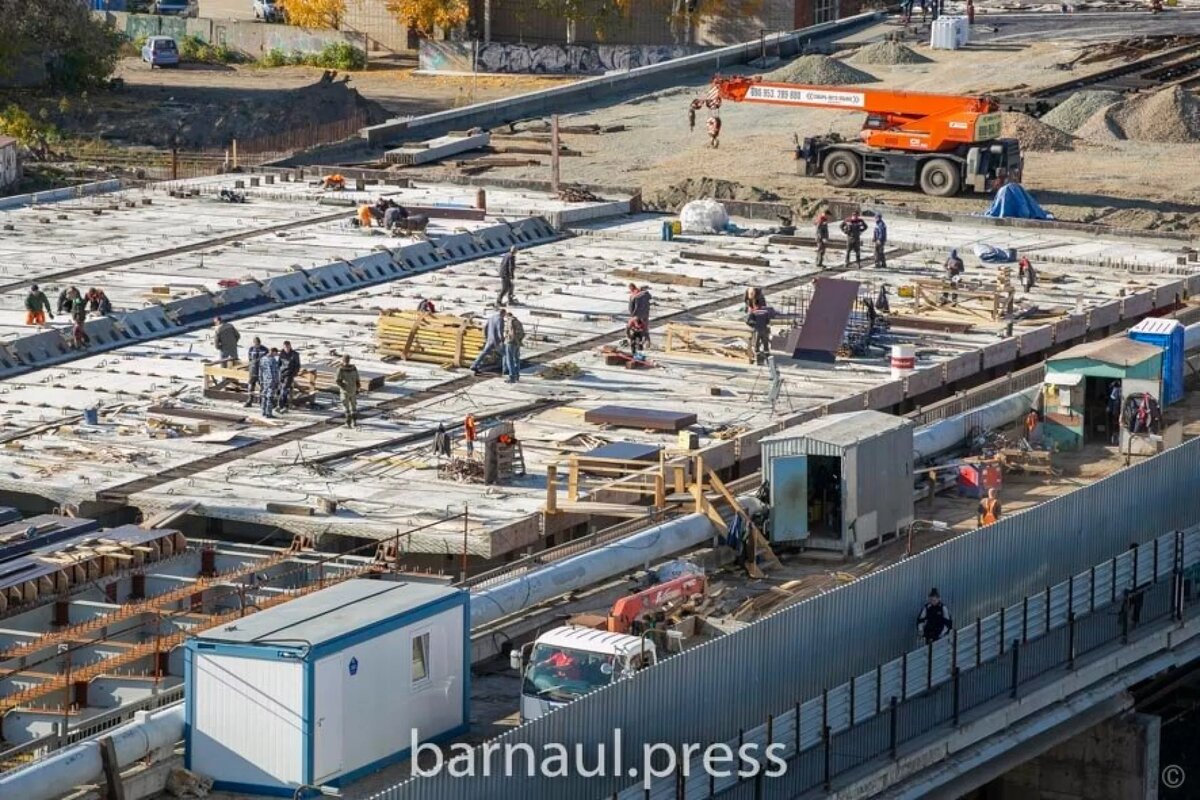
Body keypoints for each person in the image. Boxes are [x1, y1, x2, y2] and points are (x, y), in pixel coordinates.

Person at [471, 308, 506, 375]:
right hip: (496, 340)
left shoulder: (491, 317)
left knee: (484, 353)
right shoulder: (500, 319)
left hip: (490, 338)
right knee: (504, 354)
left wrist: (486, 336)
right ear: (503, 313)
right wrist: (502, 339)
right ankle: (505, 369)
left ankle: (474, 365)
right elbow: (499, 330)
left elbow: (485, 327)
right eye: (504, 315)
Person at [335, 354, 360, 428]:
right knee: (354, 406)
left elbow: (337, 380)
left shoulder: (341, 369)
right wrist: (357, 388)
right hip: (353, 389)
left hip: (345, 390)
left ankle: (348, 423)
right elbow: (357, 379)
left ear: (342, 360)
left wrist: (343, 386)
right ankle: (355, 422)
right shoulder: (354, 368)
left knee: (346, 407)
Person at [244, 336, 268, 407]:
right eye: (255, 344)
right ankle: (250, 400)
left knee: (262, 386)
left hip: (261, 370)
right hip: (253, 370)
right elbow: (250, 359)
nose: (257, 345)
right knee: (251, 386)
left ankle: (261, 401)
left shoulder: (264, 349)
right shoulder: (251, 349)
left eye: (258, 344)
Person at [277, 340, 301, 412]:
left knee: (284, 389)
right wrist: (279, 372)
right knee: (281, 389)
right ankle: (282, 405)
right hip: (282, 373)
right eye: (285, 347)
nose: (286, 349)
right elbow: (279, 364)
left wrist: (294, 373)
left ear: (290, 346)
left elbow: (297, 365)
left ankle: (282, 405)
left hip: (289, 374)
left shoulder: (294, 354)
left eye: (288, 347)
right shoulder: (282, 354)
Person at [257, 348, 281, 419]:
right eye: (275, 353)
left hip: (265, 381)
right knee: (270, 397)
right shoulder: (272, 360)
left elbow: (260, 371)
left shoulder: (262, 359)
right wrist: (277, 381)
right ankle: (268, 413)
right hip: (272, 381)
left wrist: (260, 380)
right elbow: (275, 372)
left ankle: (263, 412)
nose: (276, 355)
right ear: (273, 352)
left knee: (264, 396)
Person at [503, 311, 525, 384]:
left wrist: (510, 339)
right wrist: (518, 341)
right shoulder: (518, 321)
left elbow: (511, 333)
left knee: (510, 360)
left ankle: (512, 377)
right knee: (516, 359)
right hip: (517, 343)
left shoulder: (510, 321)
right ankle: (517, 375)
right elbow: (522, 333)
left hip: (511, 342)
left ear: (507, 316)